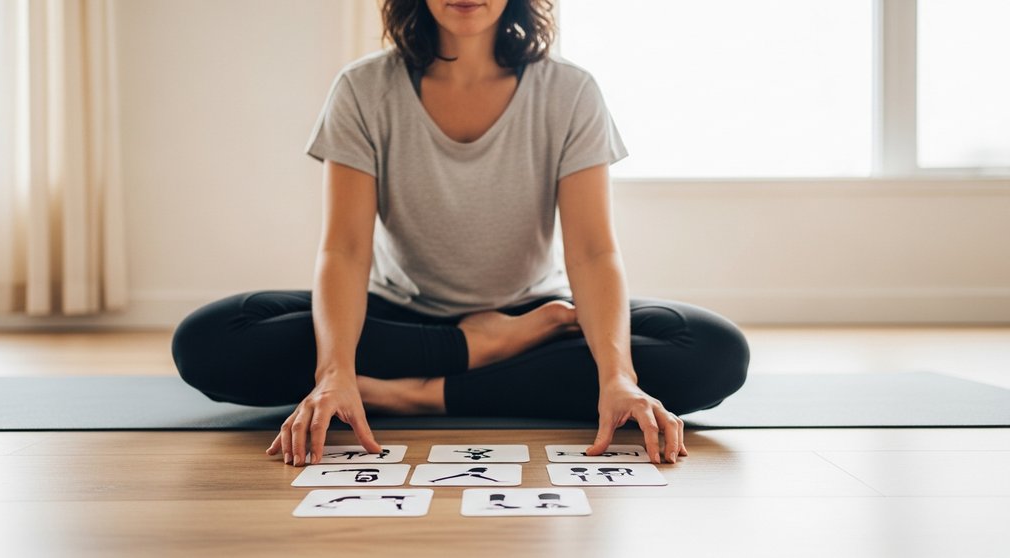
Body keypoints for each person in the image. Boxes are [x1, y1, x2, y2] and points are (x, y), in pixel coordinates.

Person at [171, 0, 749, 468]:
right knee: (210, 339)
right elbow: (344, 250)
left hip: (537, 312)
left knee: (712, 351)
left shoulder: (570, 91)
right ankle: (483, 349)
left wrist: (619, 377)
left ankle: (409, 392)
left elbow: (594, 252)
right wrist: (334, 374)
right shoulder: (362, 88)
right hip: (399, 314)